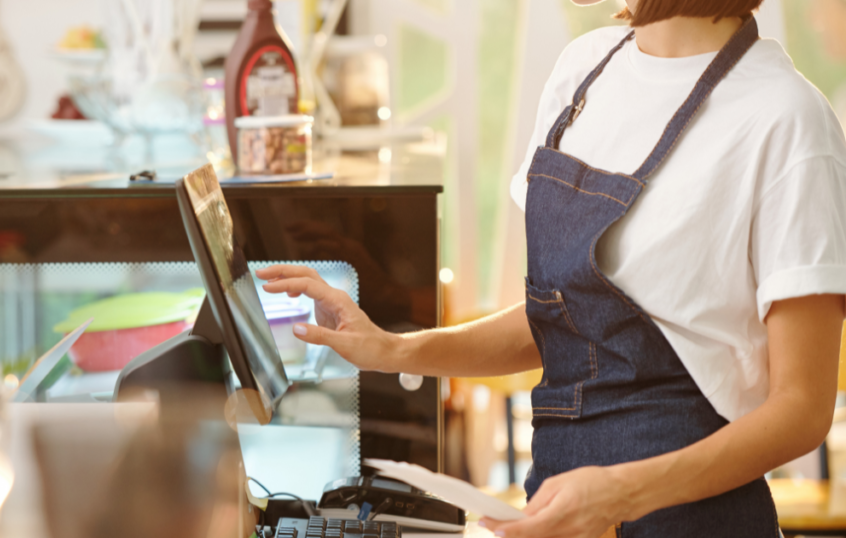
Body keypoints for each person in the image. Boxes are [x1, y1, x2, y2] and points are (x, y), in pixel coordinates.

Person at [258, 0, 846, 536]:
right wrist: (395, 350)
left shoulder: (787, 121)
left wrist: (618, 494)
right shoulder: (583, 71)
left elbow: (801, 410)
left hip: (691, 521)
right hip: (558, 508)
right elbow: (565, 317)